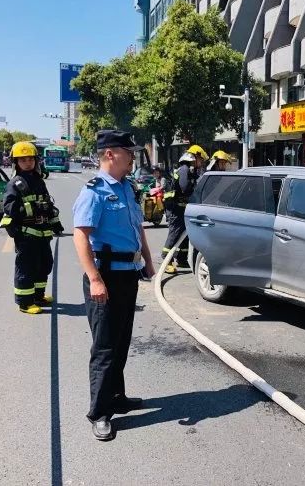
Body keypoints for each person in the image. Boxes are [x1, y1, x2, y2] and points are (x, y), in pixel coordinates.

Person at [72, 129, 156, 441]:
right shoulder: (94, 191)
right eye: (129, 151)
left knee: (121, 342)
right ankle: (99, 413)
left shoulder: (127, 187)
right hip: (104, 277)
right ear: (111, 154)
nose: (134, 156)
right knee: (105, 347)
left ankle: (117, 398)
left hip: (128, 274)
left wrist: (146, 260)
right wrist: (94, 279)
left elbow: (138, 229)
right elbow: (81, 235)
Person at [0, 141, 64, 314]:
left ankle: (38, 296)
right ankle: (25, 302)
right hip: (26, 234)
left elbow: (46, 203)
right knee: (27, 267)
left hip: (43, 232)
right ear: (16, 163)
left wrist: (54, 221)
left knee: (45, 264)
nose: (28, 163)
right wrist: (32, 208)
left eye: (30, 159)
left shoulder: (38, 180)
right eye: (23, 160)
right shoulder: (15, 183)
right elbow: (9, 207)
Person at [161, 145, 208, 274]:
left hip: (181, 207)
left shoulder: (190, 171)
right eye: (200, 159)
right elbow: (185, 188)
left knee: (184, 234)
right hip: (174, 207)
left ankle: (181, 258)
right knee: (175, 232)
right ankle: (166, 260)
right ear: (194, 157)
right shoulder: (184, 169)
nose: (201, 163)